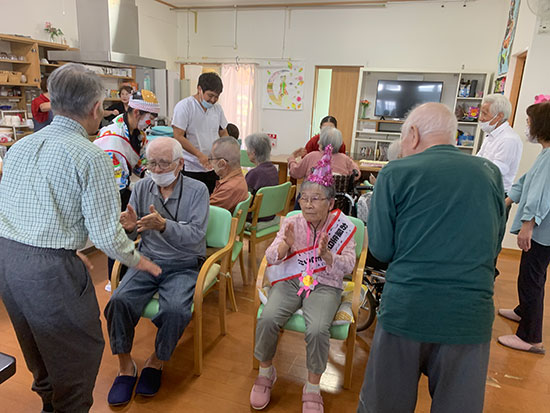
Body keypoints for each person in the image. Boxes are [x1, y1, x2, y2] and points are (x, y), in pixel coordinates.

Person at [0, 63, 161, 413]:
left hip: (8, 261)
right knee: (79, 352)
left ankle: (48, 404)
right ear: (93, 109)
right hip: (48, 271)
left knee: (38, 347)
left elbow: (18, 211)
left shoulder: (21, 147)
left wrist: (64, 247)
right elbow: (107, 237)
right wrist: (139, 258)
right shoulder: (91, 155)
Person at [357, 103, 505, 413]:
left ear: (412, 134)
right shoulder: (489, 173)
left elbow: (381, 250)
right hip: (469, 315)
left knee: (384, 406)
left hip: (408, 309)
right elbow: (493, 245)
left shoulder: (395, 172)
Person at [250, 146, 356, 412]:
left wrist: (329, 257)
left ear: (331, 203)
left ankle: (312, 386)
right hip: (290, 281)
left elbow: (350, 265)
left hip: (326, 283)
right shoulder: (292, 222)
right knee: (268, 317)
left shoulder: (342, 226)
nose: (308, 204)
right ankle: (265, 373)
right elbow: (272, 257)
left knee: (318, 328)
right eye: (304, 198)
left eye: (316, 199)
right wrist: (284, 247)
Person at [105, 137, 209, 406]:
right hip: (147, 260)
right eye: (153, 163)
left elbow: (196, 236)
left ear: (180, 164)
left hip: (183, 264)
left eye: (165, 163)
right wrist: (129, 227)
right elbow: (132, 233)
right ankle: (126, 366)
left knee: (176, 310)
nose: (158, 170)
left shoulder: (198, 190)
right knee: (118, 301)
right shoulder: (141, 188)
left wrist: (164, 226)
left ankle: (157, 360)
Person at [498, 100, 550, 354]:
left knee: (531, 279)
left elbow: (541, 194)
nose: (527, 126)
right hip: (542, 229)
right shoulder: (546, 152)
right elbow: (527, 181)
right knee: (532, 275)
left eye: (529, 122)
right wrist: (507, 198)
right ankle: (523, 311)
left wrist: (528, 225)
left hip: (541, 231)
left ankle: (531, 338)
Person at [95, 89, 160, 291]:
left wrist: (153, 174)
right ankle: (114, 280)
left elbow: (140, 162)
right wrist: (139, 184)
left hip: (127, 191)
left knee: (129, 234)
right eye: (151, 117)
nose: (151, 122)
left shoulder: (138, 135)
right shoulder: (112, 136)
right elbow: (116, 182)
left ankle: (128, 273)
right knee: (117, 235)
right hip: (112, 194)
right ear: (137, 113)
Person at [172, 72, 229, 194]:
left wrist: (226, 150)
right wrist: (199, 155)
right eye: (210, 95)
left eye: (216, 96)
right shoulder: (185, 106)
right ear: (199, 89)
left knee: (211, 202)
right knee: (192, 203)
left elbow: (224, 132)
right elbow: (178, 136)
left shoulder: (217, 109)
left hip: (212, 167)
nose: (213, 100)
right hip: (191, 167)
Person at [477, 94, 523, 198]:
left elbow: (496, 170)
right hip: (485, 190)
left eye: (484, 114)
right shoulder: (491, 135)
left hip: (497, 194)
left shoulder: (508, 139)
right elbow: (479, 157)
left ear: (499, 116)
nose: (481, 118)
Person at [289, 127, 358, 180]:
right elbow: (356, 175)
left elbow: (295, 173)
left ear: (321, 141)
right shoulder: (345, 159)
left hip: (313, 197)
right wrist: (352, 162)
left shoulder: (311, 156)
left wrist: (291, 159)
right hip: (337, 197)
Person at [209, 136, 248, 213]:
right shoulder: (238, 179)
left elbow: (202, 212)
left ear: (222, 164)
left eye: (211, 159)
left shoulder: (228, 188)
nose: (211, 163)